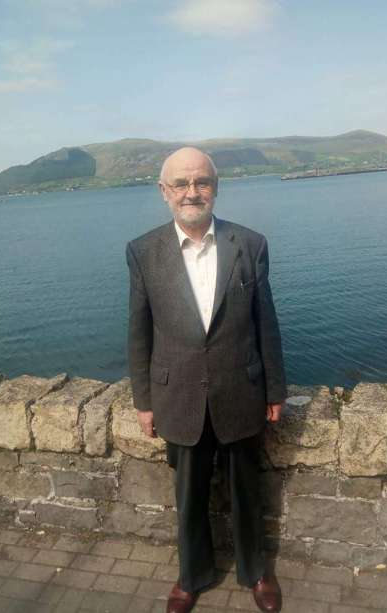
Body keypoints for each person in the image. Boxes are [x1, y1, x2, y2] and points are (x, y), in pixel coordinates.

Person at [126, 147, 287, 613]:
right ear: (164, 192)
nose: (191, 192)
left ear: (216, 187)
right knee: (189, 497)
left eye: (201, 182)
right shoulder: (143, 252)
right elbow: (138, 331)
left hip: (241, 391)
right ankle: (190, 578)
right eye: (181, 183)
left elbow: (266, 322)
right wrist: (143, 400)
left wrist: (274, 389)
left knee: (246, 493)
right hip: (177, 396)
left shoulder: (250, 244)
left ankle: (257, 573)